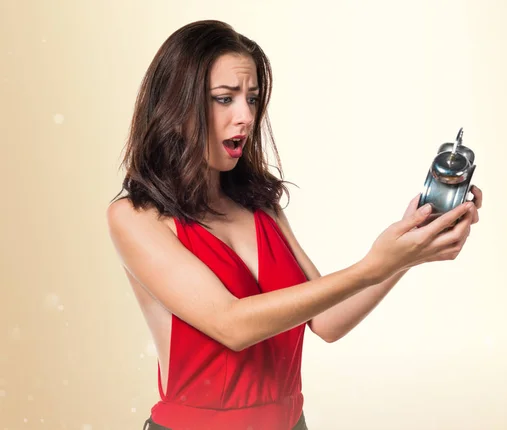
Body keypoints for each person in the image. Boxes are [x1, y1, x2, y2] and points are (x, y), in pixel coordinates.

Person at [106, 19, 483, 430]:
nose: (245, 116)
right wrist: (374, 265)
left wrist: (408, 250)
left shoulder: (260, 206)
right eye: (224, 98)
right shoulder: (135, 218)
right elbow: (232, 325)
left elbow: (328, 321)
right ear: (175, 106)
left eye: (252, 99)